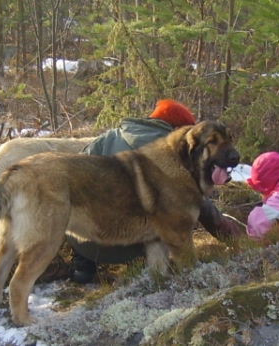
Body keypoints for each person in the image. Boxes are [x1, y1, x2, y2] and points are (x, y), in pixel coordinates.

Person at [68, 99, 242, 283]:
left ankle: (83, 268)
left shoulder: (108, 137)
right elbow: (203, 209)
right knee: (165, 223)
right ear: (180, 129)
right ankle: (153, 275)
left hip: (83, 240)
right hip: (125, 247)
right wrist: (237, 240)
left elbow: (75, 173)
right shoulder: (172, 155)